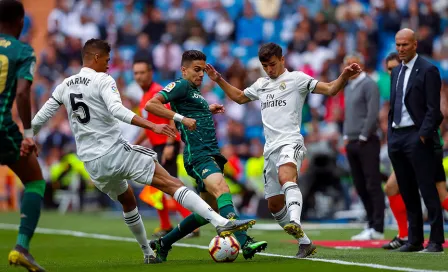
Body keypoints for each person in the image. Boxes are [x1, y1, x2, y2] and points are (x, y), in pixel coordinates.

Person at [31, 39, 256, 264]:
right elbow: (118, 110)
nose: (109, 66)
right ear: (96, 58)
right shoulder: (102, 79)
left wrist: (28, 137)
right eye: (107, 60)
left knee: (128, 200)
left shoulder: (65, 84)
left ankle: (149, 252)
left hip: (92, 164)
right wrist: (153, 126)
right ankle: (221, 222)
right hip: (115, 152)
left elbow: (42, 116)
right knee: (173, 184)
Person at [205, 42, 362, 258]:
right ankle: (304, 242)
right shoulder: (261, 84)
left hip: (291, 141)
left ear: (282, 60)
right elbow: (240, 97)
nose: (269, 70)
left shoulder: (296, 79)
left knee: (286, 176)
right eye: (265, 66)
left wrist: (344, 76)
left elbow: (330, 89)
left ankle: (295, 220)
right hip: (270, 149)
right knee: (274, 204)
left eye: (272, 64)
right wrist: (218, 80)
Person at [145, 50, 268, 261]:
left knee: (204, 213)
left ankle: (163, 244)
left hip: (211, 154)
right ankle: (245, 242)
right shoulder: (181, 85)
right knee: (222, 188)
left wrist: (206, 109)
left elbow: (191, 112)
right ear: (183, 70)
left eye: (203, 70)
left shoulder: (193, 91)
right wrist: (181, 119)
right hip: (198, 155)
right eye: (196, 70)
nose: (201, 74)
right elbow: (151, 104)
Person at [382, 52, 448, 250]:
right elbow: (394, 107)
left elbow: (434, 110)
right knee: (407, 191)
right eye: (398, 44)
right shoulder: (397, 74)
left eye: (404, 44)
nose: (401, 48)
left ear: (414, 44)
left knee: (431, 191)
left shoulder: (428, 70)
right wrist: (391, 134)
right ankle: (413, 239)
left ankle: (436, 240)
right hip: (398, 137)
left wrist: (423, 134)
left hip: (420, 137)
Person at [1, 1, 44, 271]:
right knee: (35, 182)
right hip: (2, 128)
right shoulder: (22, 50)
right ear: (20, 21)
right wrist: (28, 134)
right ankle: (21, 247)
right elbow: (21, 93)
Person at [132, 58, 196, 238]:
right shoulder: (145, 96)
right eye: (136, 73)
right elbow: (151, 125)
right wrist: (136, 143)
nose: (139, 76)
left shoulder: (156, 92)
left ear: (150, 72)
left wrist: (170, 143)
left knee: (170, 185)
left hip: (166, 144)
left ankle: (192, 223)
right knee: (159, 187)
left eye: (142, 72)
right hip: (158, 145)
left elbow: (171, 116)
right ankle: (167, 225)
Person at [342, 53, 385, 241]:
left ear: (361, 65)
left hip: (366, 141)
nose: (350, 68)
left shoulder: (369, 84)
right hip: (351, 141)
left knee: (372, 183)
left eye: (353, 64)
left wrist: (362, 135)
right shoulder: (349, 86)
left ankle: (378, 226)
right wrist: (345, 135)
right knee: (359, 185)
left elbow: (372, 112)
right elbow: (349, 113)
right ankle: (370, 223)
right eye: (347, 64)